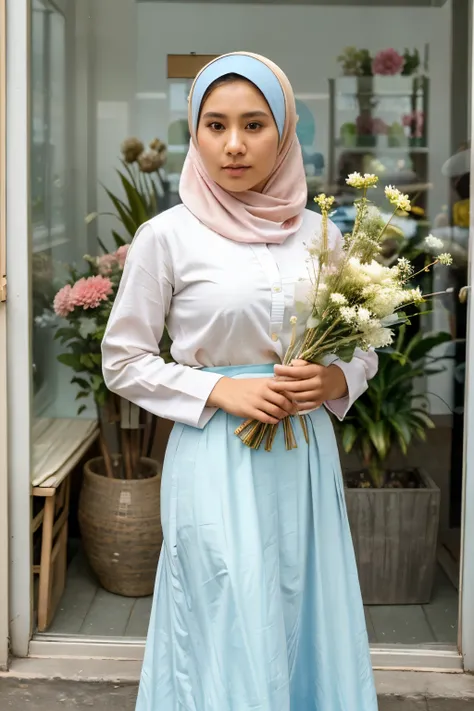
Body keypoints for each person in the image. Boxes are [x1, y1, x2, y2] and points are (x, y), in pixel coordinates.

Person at [102, 52, 379, 711]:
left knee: (301, 603)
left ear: (285, 132)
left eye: (254, 124)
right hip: (216, 451)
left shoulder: (321, 235)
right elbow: (124, 358)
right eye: (215, 124)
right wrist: (218, 390)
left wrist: (335, 377)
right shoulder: (165, 236)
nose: (233, 144)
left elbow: (364, 346)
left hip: (304, 458)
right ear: (193, 134)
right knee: (227, 605)